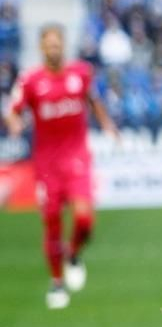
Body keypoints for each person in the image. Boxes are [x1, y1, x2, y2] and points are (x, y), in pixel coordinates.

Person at [4, 24, 119, 309]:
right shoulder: (30, 81)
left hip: (77, 159)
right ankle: (56, 282)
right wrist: (15, 124)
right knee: (52, 225)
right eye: (49, 45)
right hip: (46, 165)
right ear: (42, 48)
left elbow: (94, 101)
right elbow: (12, 111)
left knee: (84, 221)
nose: (54, 49)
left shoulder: (80, 73)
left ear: (63, 46)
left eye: (58, 44)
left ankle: (74, 253)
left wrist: (106, 124)